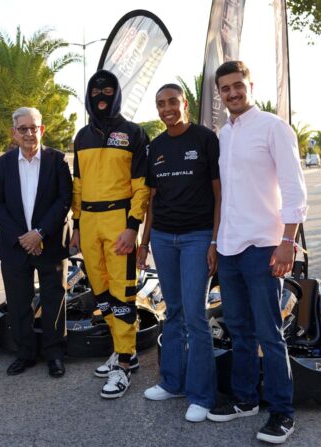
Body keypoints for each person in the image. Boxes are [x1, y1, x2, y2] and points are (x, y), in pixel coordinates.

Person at [205, 61, 307, 445]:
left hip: (264, 246)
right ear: (220, 94)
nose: (232, 93)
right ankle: (245, 399)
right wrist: (216, 243)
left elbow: (294, 188)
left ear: (250, 85)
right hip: (230, 247)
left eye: (238, 85)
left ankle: (282, 412)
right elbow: (224, 196)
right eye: (225, 88)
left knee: (269, 333)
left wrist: (288, 241)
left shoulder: (274, 128)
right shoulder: (223, 135)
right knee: (239, 330)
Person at [137, 84, 220, 422]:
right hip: (163, 238)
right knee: (172, 311)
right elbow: (152, 200)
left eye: (173, 101)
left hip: (197, 237)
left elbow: (219, 193)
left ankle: (202, 395)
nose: (167, 108)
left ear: (185, 103)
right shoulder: (155, 147)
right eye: (161, 104)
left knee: (195, 315)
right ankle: (173, 383)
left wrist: (214, 241)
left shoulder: (205, 139)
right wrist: (144, 243)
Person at [69, 70, 150, 398]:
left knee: (122, 294)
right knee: (101, 293)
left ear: (117, 94)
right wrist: (76, 226)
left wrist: (133, 226)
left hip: (119, 220)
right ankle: (122, 349)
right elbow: (77, 185)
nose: (101, 96)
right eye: (95, 91)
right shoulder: (81, 136)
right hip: (88, 222)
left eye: (107, 91)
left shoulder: (134, 133)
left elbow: (141, 187)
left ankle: (124, 364)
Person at [0, 107, 72, 377]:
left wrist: (40, 233)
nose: (28, 133)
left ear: (42, 129)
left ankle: (55, 354)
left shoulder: (57, 160)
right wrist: (23, 237)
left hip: (50, 244)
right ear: (14, 133)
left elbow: (64, 200)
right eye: (22, 129)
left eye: (33, 128)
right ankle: (25, 353)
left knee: (53, 300)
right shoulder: (2, 164)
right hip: (15, 246)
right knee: (18, 302)